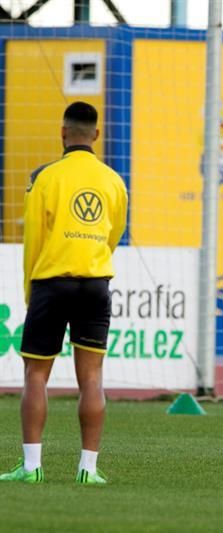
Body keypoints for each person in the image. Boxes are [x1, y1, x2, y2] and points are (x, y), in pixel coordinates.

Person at [0, 102, 128, 485]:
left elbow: (33, 240)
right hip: (94, 283)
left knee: (35, 375)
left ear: (62, 133)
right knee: (91, 378)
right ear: (97, 135)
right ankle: (87, 470)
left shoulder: (45, 178)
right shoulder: (113, 181)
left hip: (51, 283)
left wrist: (29, 289)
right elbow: (113, 234)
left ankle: (32, 466)